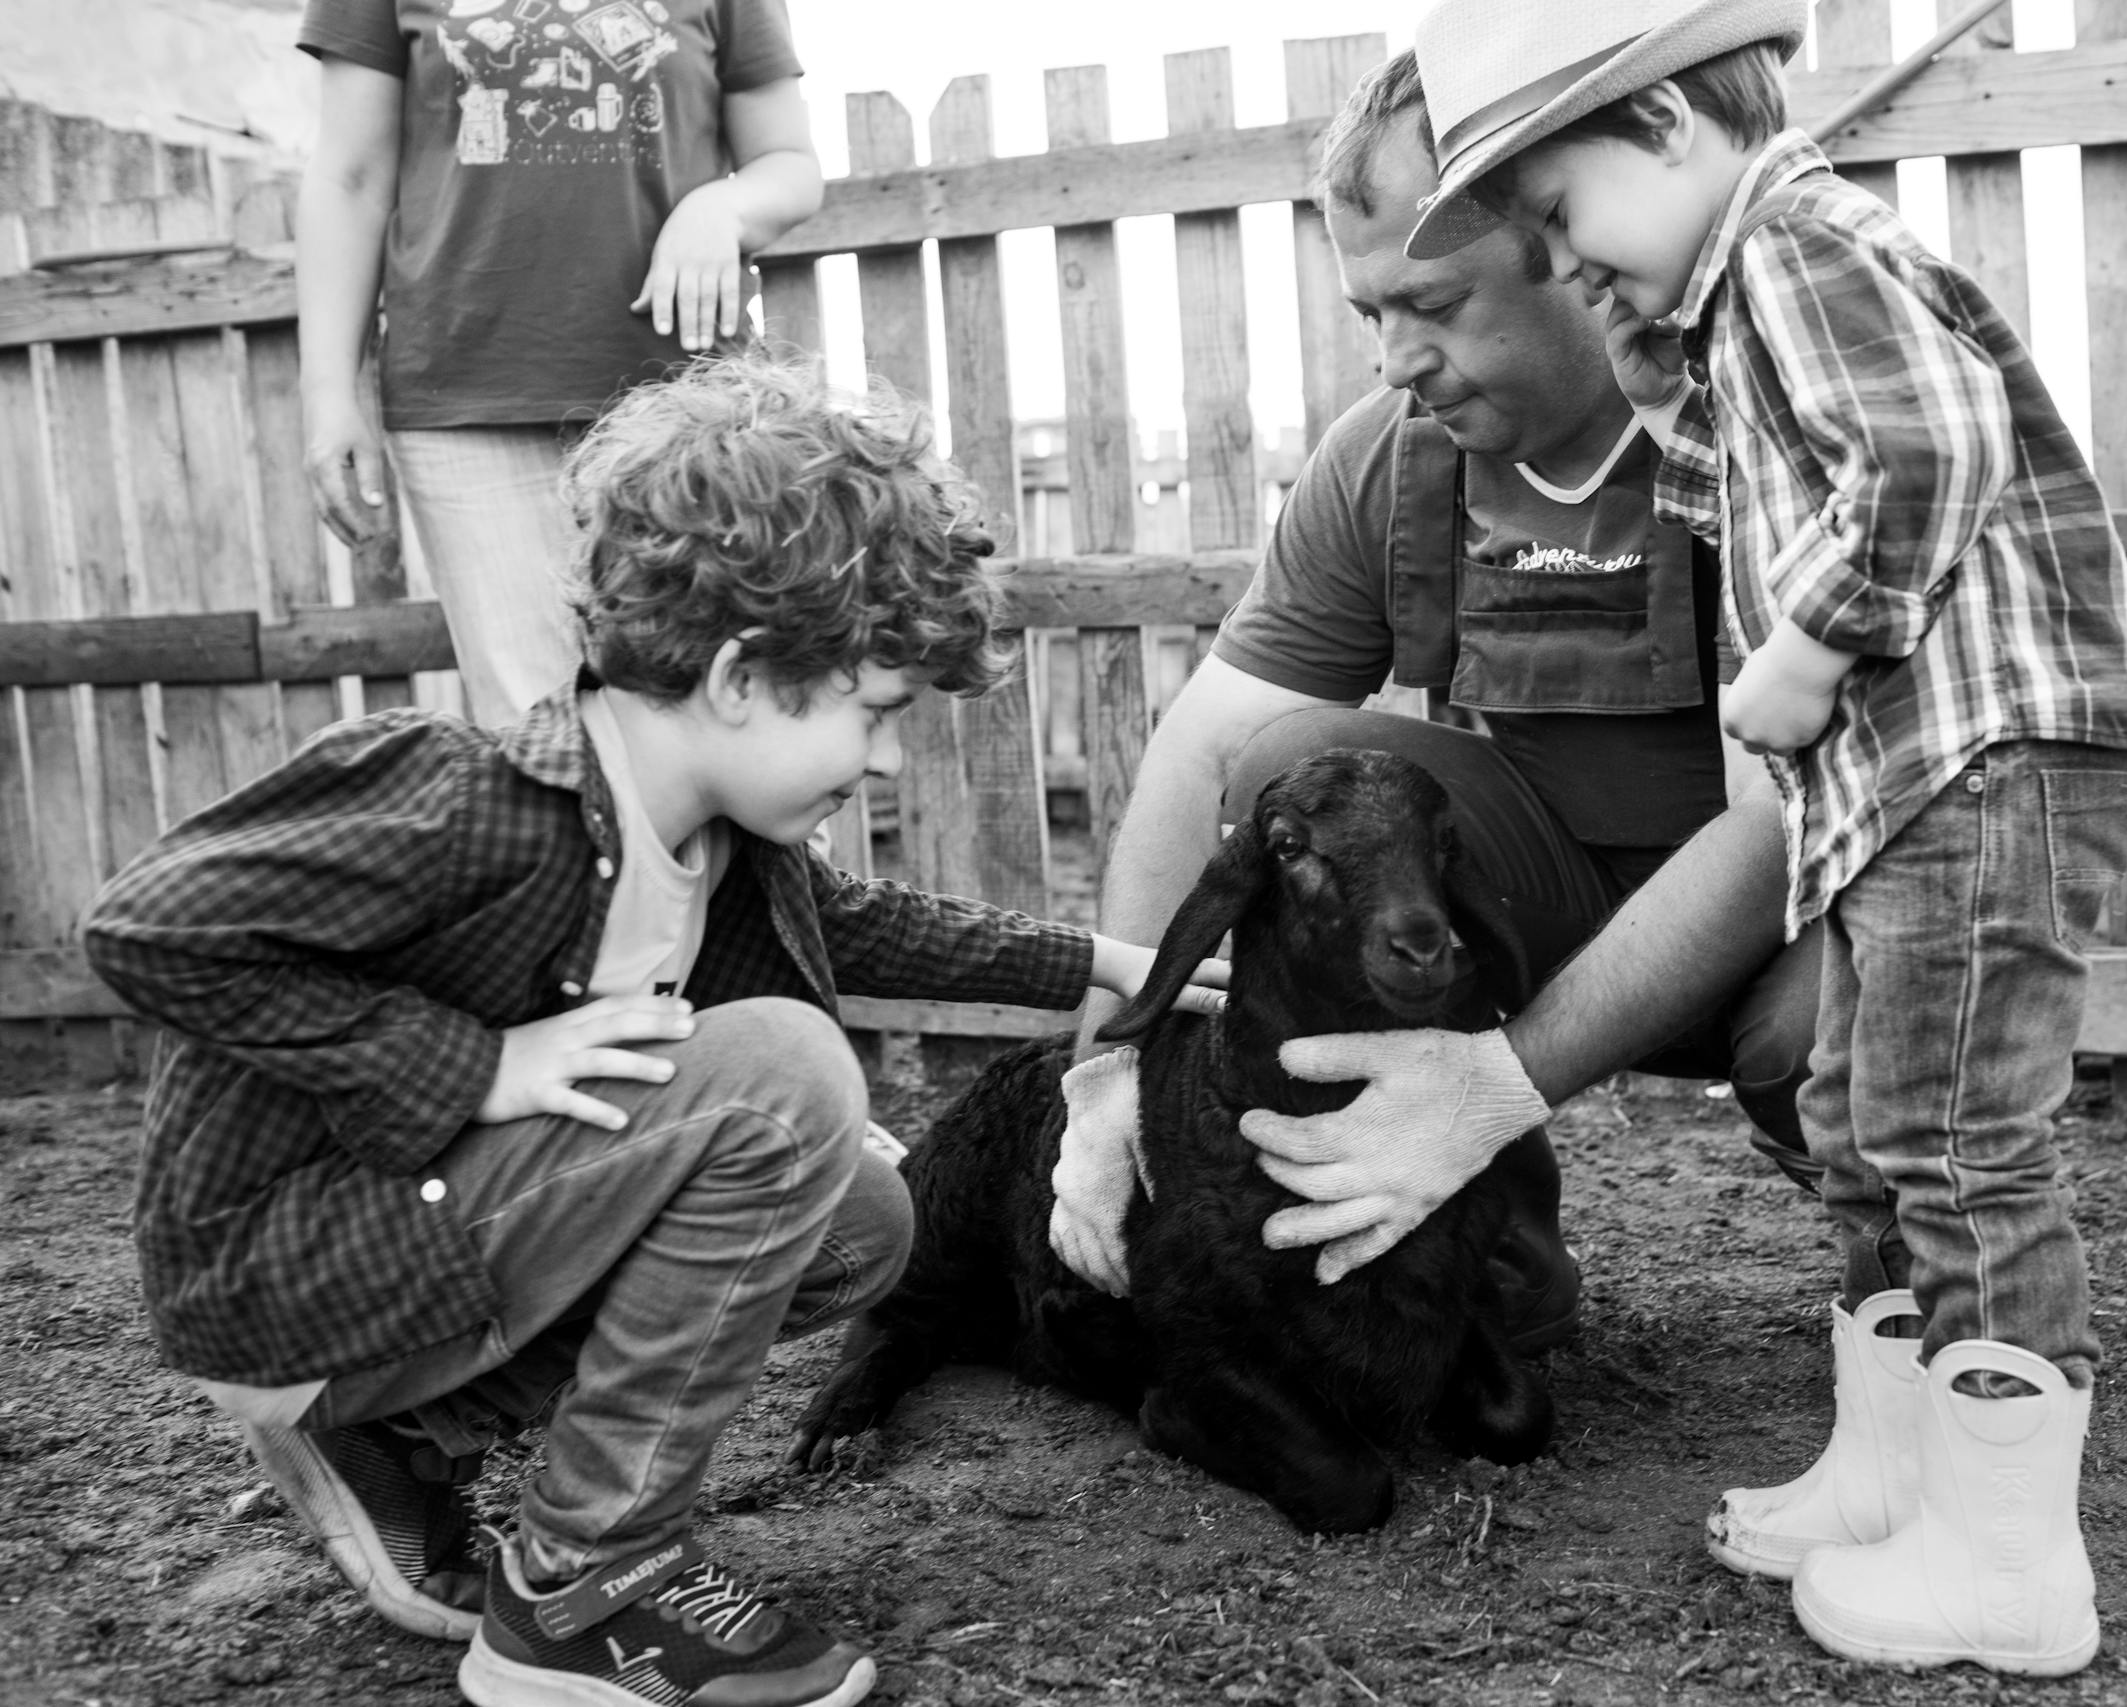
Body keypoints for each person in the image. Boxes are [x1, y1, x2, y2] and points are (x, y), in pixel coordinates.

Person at [82, 354, 1222, 1707]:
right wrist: (479, 1065)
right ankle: (580, 1583)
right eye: (871, 709)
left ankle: (394, 1428)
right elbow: (149, 926)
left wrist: (1118, 959)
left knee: (861, 1210)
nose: (879, 759)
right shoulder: (471, 797)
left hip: (420, 1250)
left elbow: (868, 928)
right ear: (743, 674)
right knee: (783, 1081)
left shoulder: (714, 838)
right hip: (285, 1261)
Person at [1366, 0, 2127, 1677]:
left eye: (1567, 221)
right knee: (1863, 1115)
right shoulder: (1735, 294)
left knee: (1958, 1140)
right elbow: (1737, 446)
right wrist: (1642, 324)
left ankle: (2012, 1559)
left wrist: (1808, 646)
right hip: (1915, 777)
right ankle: (1900, 1476)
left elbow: (1929, 453)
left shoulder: (1801, 243)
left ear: (1661, 129)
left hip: (1989, 757)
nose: (1570, 268)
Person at [1040, 49, 1825, 1358]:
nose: (1399, 358)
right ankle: (1470, 1257)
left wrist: (1493, 1086)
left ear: (1571, 242)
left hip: (1794, 929)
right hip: (1539, 924)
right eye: (1369, 314)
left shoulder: (1747, 423)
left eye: (1436, 302)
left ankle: (1930, 1282)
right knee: (1294, 770)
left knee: (1830, 1031)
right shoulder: (1391, 462)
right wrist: (1106, 1071)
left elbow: (1777, 826)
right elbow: (1209, 748)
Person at [295, 0, 825, 727]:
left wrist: (723, 208)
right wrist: (329, 395)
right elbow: (349, 177)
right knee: (541, 738)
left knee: (736, 713)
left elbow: (789, 163)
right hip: (468, 408)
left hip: (689, 409)